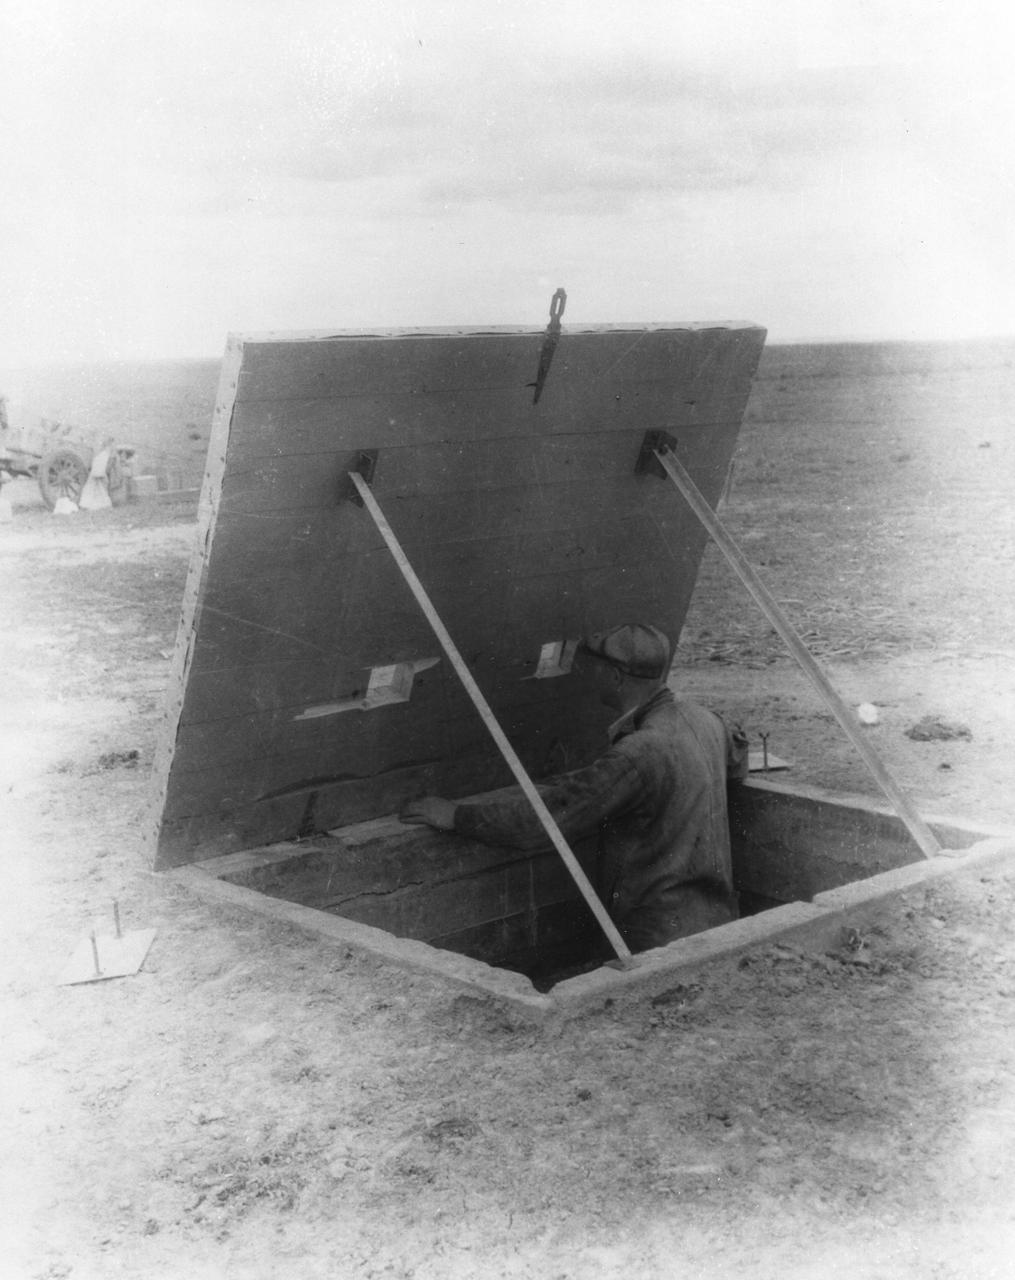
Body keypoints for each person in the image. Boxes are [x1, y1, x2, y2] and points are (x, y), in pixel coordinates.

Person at [401, 622, 749, 954]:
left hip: (657, 939)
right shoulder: (706, 720)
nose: (589, 674)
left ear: (615, 676)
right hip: (718, 920)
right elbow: (738, 758)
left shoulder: (638, 753)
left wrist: (455, 816)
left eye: (596, 667)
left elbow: (541, 823)